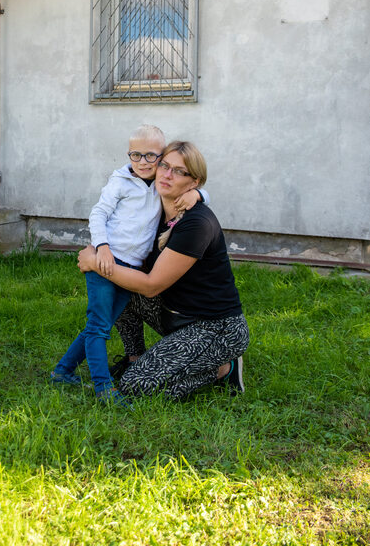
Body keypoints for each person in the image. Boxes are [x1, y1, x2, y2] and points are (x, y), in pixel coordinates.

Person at [78, 141, 249, 402]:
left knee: (137, 387)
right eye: (165, 166)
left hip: (215, 328)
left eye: (179, 171)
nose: (167, 175)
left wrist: (96, 264)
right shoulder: (154, 210)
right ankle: (135, 357)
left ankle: (222, 368)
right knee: (120, 290)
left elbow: (150, 286)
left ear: (194, 182)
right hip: (173, 314)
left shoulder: (197, 224)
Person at [51, 126, 209, 404]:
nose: (143, 162)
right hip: (106, 261)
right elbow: (98, 213)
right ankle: (104, 389)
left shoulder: (160, 185)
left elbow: (202, 192)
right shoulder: (121, 181)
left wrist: (197, 196)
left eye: (151, 156)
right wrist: (102, 248)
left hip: (132, 267)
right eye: (136, 155)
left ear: (161, 159)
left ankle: (63, 371)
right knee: (99, 326)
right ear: (129, 155)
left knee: (102, 323)